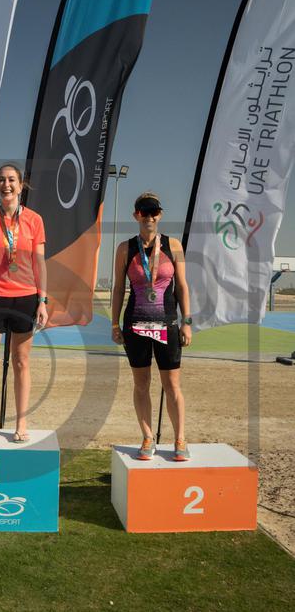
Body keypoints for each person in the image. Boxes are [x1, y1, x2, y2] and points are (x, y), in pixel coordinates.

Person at [0, 164, 48, 443]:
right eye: (1, 180)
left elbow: (40, 264)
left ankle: (21, 424)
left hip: (25, 298)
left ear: (21, 185)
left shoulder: (35, 220)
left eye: (12, 180)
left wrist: (42, 301)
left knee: (21, 362)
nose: (7, 184)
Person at [111, 192, 192, 461]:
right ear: (136, 215)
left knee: (172, 385)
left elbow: (182, 286)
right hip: (135, 325)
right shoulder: (125, 248)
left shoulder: (173, 245)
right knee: (141, 383)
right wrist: (114, 323)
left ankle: (180, 438)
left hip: (167, 324)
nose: (149, 216)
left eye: (153, 211)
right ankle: (147, 437)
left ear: (160, 214)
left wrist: (187, 322)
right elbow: (118, 289)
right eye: (144, 212)